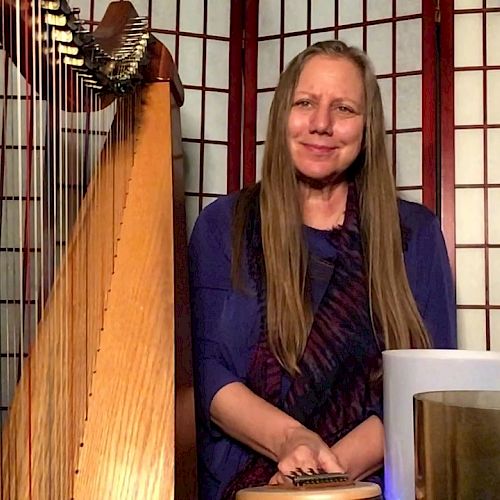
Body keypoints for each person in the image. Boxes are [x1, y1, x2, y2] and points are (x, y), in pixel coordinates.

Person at [188, 40, 456, 500]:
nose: (322, 124)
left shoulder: (415, 233)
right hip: (241, 488)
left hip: (365, 488)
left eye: (344, 108)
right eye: (305, 103)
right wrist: (290, 440)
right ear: (281, 116)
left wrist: (319, 479)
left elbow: (429, 390)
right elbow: (206, 370)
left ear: (367, 127)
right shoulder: (222, 226)